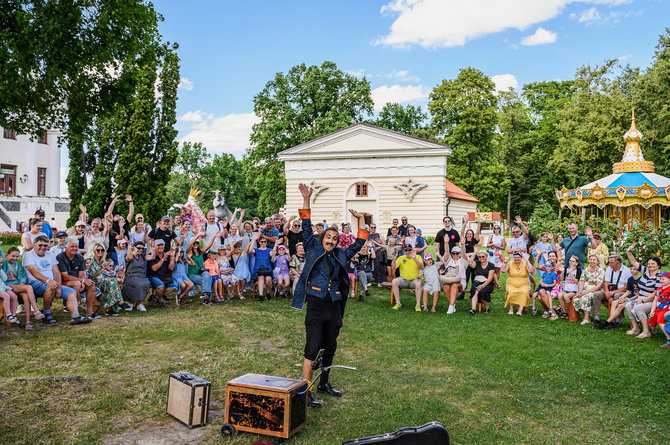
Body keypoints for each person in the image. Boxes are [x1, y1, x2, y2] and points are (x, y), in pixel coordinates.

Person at [292, 183, 368, 409]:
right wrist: (306, 199)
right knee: (312, 348)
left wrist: (360, 218)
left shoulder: (341, 255)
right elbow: (305, 225)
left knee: (330, 347)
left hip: (333, 307)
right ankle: (306, 391)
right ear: (322, 237)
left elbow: (361, 240)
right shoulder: (313, 247)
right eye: (329, 237)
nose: (332, 241)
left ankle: (324, 383)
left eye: (335, 239)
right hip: (316, 305)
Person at [23, 235, 88, 325]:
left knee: (72, 292)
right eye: (40, 245)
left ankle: (75, 316)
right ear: (34, 245)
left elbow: (56, 271)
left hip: (52, 283)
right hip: (34, 283)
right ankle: (46, 312)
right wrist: (48, 281)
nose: (43, 248)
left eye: (45, 246)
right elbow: (34, 272)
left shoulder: (50, 254)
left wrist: (59, 287)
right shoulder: (28, 255)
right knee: (51, 287)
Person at [624, 244, 662, 338]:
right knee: (628, 305)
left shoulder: (659, 277)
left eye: (653, 264)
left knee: (639, 308)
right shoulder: (645, 272)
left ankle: (646, 331)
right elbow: (634, 262)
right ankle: (636, 328)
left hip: (652, 301)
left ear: (658, 265)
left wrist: (642, 301)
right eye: (649, 263)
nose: (650, 265)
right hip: (640, 298)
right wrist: (629, 252)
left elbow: (655, 293)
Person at [57, 237, 99, 319]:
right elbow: (65, 277)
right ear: (66, 247)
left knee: (91, 285)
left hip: (78, 281)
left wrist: (83, 282)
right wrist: (82, 281)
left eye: (76, 247)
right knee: (77, 284)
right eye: (72, 246)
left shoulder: (79, 257)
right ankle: (76, 313)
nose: (75, 248)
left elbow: (81, 274)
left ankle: (89, 312)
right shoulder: (60, 257)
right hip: (64, 282)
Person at [1, 247, 43, 327]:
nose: (15, 258)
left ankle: (28, 321)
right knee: (29, 288)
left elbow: (22, 276)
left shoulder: (18, 265)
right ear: (7, 255)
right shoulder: (4, 264)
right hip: (7, 286)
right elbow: (1, 256)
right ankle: (36, 310)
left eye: (17, 256)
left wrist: (22, 283)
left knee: (26, 296)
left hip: (17, 286)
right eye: (13, 256)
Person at [591, 254, 631, 329]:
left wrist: (612, 293)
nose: (609, 264)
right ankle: (596, 317)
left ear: (618, 263)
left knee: (617, 296)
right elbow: (606, 283)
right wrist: (607, 294)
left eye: (611, 263)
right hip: (609, 291)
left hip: (621, 291)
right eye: (609, 262)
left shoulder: (627, 271)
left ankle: (618, 320)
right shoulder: (609, 269)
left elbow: (625, 287)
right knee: (597, 294)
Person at [88, 242, 124, 315]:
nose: (100, 252)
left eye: (102, 250)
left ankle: (108, 309)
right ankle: (120, 302)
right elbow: (92, 275)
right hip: (94, 282)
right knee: (112, 281)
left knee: (112, 282)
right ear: (94, 251)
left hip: (103, 280)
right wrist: (102, 269)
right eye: (98, 250)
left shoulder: (102, 261)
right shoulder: (91, 261)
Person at [572, 254, 605, 325]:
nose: (592, 261)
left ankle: (587, 318)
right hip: (584, 290)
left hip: (595, 291)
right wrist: (580, 291)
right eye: (590, 259)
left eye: (594, 260)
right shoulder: (586, 270)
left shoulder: (600, 271)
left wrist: (586, 292)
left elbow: (598, 286)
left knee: (585, 297)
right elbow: (581, 281)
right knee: (575, 299)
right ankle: (585, 314)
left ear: (597, 261)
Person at [391, 245, 424, 311]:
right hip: (403, 279)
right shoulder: (401, 258)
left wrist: (414, 258)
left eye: (409, 250)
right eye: (406, 250)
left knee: (418, 284)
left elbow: (422, 267)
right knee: (394, 281)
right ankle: (398, 303)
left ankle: (418, 305)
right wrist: (394, 258)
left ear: (412, 250)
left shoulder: (418, 257)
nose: (408, 252)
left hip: (414, 280)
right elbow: (394, 267)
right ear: (404, 251)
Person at [146, 239, 178, 308]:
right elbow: (154, 268)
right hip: (154, 276)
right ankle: (161, 300)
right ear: (154, 246)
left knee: (174, 285)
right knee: (161, 286)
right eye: (158, 245)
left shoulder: (167, 255)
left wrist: (172, 257)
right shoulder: (151, 255)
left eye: (162, 245)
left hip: (165, 277)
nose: (160, 247)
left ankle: (156, 296)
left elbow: (171, 268)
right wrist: (163, 259)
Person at [501, 251, 535, 316]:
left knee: (524, 292)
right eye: (515, 257)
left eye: (518, 257)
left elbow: (531, 270)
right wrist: (505, 261)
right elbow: (503, 270)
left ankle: (520, 311)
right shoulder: (510, 263)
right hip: (511, 284)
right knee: (511, 292)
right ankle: (511, 309)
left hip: (524, 284)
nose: (516, 259)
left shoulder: (525, 263)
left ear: (521, 257)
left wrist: (527, 261)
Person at [123, 241, 152, 311]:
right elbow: (129, 258)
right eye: (139, 248)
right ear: (134, 247)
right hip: (130, 276)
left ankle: (140, 304)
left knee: (146, 283)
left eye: (142, 248)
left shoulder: (142, 256)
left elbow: (151, 257)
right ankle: (132, 303)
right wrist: (129, 246)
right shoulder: (129, 255)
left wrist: (152, 247)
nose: (141, 250)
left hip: (141, 276)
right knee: (139, 284)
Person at [440, 246, 468, 314]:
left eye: (457, 253)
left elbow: (464, 254)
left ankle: (451, 307)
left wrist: (463, 244)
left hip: (461, 281)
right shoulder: (449, 260)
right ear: (451, 254)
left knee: (454, 285)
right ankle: (452, 304)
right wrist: (446, 243)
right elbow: (446, 253)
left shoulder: (463, 261)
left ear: (460, 254)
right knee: (445, 286)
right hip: (449, 280)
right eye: (453, 253)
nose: (455, 255)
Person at [467, 250, 496, 315]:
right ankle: (473, 309)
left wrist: (483, 285)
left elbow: (490, 278)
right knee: (474, 289)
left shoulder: (491, 265)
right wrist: (474, 253)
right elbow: (470, 263)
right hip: (477, 282)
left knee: (483, 291)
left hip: (487, 283)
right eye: (480, 257)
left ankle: (487, 306)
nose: (481, 258)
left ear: (486, 256)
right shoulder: (477, 263)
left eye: (483, 257)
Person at [555, 255, 582, 320]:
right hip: (566, 289)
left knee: (566, 296)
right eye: (570, 261)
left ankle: (571, 312)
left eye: (573, 261)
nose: (570, 262)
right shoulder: (566, 269)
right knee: (559, 295)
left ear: (576, 263)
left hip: (574, 290)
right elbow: (562, 279)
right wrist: (563, 272)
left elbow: (576, 281)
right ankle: (565, 312)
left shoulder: (578, 270)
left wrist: (570, 273)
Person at [647, 272, 670, 348]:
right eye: (660, 279)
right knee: (650, 322)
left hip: (665, 310)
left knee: (660, 322)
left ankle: (668, 339)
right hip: (657, 309)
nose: (661, 280)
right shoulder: (659, 289)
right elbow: (655, 300)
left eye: (663, 279)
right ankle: (654, 333)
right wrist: (652, 311)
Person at [460, 214, 481, 289]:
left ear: (472, 235)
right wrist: (465, 223)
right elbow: (462, 232)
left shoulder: (474, 240)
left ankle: (473, 292)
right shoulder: (464, 240)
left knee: (474, 277)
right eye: (468, 234)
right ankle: (462, 293)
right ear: (466, 235)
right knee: (466, 276)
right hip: (466, 259)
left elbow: (478, 232)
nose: (469, 235)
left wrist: (479, 223)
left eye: (471, 234)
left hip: (474, 259)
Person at [0, 256, 21, 327]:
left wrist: (1, 271)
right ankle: (8, 315)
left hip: (3, 287)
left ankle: (13, 315)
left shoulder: (0, 270)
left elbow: (5, 279)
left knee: (14, 296)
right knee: (6, 296)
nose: (0, 264)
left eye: (1, 263)